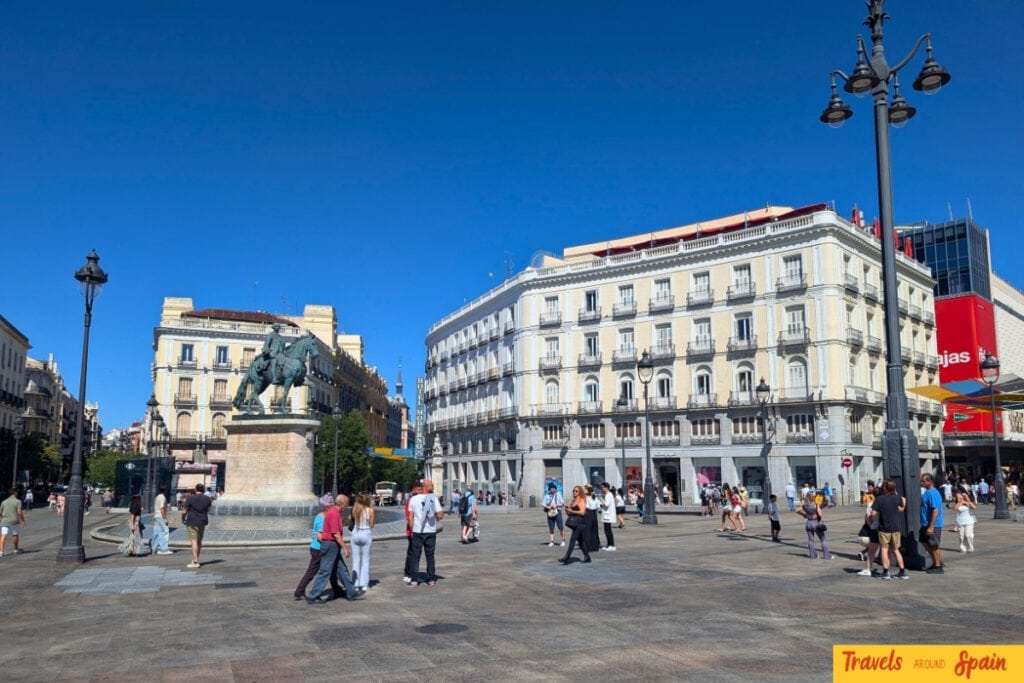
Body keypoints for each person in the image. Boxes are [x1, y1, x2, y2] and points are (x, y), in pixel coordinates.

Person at [306, 494, 361, 603]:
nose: (347, 505)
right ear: (342, 504)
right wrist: (345, 547)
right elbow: (335, 534)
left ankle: (351, 592)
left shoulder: (336, 513)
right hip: (330, 544)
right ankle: (313, 596)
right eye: (347, 503)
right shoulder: (334, 514)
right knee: (325, 571)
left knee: (341, 569)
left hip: (332, 545)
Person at [293, 499, 340, 600]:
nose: (333, 506)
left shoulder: (323, 516)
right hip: (318, 548)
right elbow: (319, 535)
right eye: (331, 504)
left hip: (318, 548)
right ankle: (299, 591)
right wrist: (327, 544)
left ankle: (337, 589)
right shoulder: (322, 518)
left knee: (330, 569)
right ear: (326, 507)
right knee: (312, 571)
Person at [406, 479, 444, 586]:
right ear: (426, 487)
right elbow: (440, 515)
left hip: (417, 531)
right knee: (430, 555)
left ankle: (414, 580)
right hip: (430, 531)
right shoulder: (433, 499)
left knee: (415, 555)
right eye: (432, 485)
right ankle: (431, 579)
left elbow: (410, 517)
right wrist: (437, 515)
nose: (433, 487)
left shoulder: (413, 499)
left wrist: (413, 529)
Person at [871, 480, 908, 580]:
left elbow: (873, 514)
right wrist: (896, 494)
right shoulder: (897, 498)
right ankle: (902, 572)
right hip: (895, 528)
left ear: (884, 488)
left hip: (884, 528)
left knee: (884, 549)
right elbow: (901, 507)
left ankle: (886, 572)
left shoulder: (880, 499)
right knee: (896, 550)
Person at [559, 486, 591, 564]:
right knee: (581, 541)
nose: (574, 492)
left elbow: (582, 512)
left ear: (580, 492)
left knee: (573, 539)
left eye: (576, 491)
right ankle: (587, 557)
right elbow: (570, 513)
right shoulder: (573, 501)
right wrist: (567, 510)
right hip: (574, 523)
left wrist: (572, 511)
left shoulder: (581, 500)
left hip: (581, 523)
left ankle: (567, 557)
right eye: (573, 491)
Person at [183, 483, 212, 568]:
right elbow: (209, 510)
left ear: (196, 490)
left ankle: (195, 561)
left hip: (192, 521)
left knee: (194, 541)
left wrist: (183, 518)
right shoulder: (207, 499)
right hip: (202, 521)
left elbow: (184, 511)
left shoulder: (190, 498)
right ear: (203, 490)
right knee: (199, 541)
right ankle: (196, 559)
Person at [350, 493, 375, 593]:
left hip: (356, 533)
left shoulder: (354, 510)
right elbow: (372, 525)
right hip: (366, 533)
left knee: (356, 560)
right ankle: (364, 584)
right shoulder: (370, 511)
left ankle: (355, 584)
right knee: (365, 560)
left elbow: (349, 520)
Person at [920, 473, 944, 574]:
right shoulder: (927, 492)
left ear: (929, 481)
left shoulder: (933, 493)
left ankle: (938, 565)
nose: (922, 482)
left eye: (924, 481)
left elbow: (935, 510)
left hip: (933, 524)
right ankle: (935, 562)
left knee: (934, 545)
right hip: (925, 523)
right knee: (926, 543)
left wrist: (931, 526)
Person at [796, 491, 831, 560]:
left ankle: (813, 555)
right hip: (816, 522)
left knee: (810, 540)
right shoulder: (815, 504)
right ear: (813, 497)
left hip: (808, 523)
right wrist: (818, 508)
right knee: (823, 539)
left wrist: (804, 515)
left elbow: (797, 510)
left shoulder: (804, 504)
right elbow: (820, 514)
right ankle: (826, 556)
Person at [402, 483, 422, 584]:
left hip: (419, 531)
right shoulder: (411, 501)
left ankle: (411, 573)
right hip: (413, 531)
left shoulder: (420, 500)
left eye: (421, 489)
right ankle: (408, 573)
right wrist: (413, 530)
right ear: (413, 491)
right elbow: (408, 517)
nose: (420, 491)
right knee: (412, 553)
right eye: (418, 489)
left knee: (415, 553)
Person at [857, 493, 881, 576]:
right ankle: (887, 571)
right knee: (889, 550)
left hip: (864, 535)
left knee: (872, 551)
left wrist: (872, 526)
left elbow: (867, 518)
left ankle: (868, 569)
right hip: (883, 530)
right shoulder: (882, 503)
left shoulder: (871, 504)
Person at [0, 488, 26, 557]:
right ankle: (15, 550)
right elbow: (19, 512)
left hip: (4, 521)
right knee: (15, 534)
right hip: (14, 521)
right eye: (16, 492)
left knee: (3, 535)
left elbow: (0, 512)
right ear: (15, 493)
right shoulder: (18, 501)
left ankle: (1, 552)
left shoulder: (4, 502)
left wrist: (3, 517)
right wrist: (22, 520)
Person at [953, 486, 976, 553]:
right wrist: (960, 502)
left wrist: (967, 501)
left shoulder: (967, 502)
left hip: (969, 521)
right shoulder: (958, 503)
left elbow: (974, 507)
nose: (960, 498)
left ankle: (970, 547)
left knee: (968, 535)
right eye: (958, 497)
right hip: (960, 522)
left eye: (960, 497)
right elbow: (954, 509)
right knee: (961, 536)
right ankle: (963, 548)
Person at [151, 486, 172, 555]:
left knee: (157, 532)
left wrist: (167, 506)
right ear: (165, 491)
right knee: (165, 531)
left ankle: (153, 548)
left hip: (156, 516)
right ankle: (164, 549)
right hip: (160, 516)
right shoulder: (162, 497)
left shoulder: (157, 497)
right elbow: (162, 508)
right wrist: (165, 518)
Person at [598, 482, 616, 551]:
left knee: (608, 531)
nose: (602, 489)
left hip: (608, 515)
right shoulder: (608, 494)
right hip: (607, 515)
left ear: (606, 488)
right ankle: (609, 544)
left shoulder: (608, 495)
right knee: (607, 530)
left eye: (602, 487)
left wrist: (601, 500)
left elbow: (606, 504)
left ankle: (611, 545)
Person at [583, 484, 601, 552]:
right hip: (594, 513)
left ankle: (589, 546)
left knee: (588, 530)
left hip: (588, 513)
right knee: (594, 530)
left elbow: (585, 506)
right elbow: (598, 506)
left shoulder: (586, 498)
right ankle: (595, 546)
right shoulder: (595, 497)